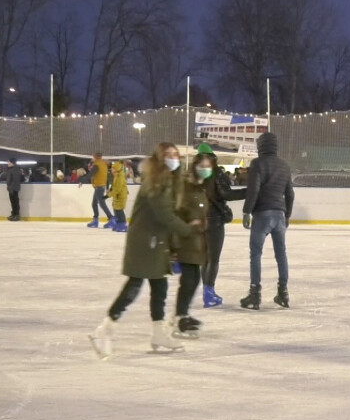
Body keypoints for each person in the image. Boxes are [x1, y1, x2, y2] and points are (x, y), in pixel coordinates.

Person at [88, 142, 202, 358]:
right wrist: (187, 231)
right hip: (145, 242)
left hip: (155, 242)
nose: (173, 157)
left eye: (175, 154)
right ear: (159, 158)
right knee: (135, 285)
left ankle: (158, 332)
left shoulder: (168, 179)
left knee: (159, 286)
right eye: (168, 154)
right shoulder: (157, 182)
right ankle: (104, 330)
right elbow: (164, 215)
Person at [240, 132, 295, 310]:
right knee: (281, 254)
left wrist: (247, 211)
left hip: (262, 214)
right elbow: (290, 194)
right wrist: (287, 216)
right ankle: (283, 293)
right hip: (279, 215)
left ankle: (255, 294)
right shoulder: (284, 165)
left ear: (261, 146)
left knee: (256, 254)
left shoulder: (257, 163)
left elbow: (253, 189)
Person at [169, 153, 217, 338]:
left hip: (195, 240)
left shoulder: (201, 187)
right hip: (184, 239)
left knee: (192, 279)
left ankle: (181, 315)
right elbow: (177, 211)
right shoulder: (186, 187)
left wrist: (202, 223)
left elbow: (200, 212)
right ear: (195, 166)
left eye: (209, 166)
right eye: (203, 165)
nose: (206, 169)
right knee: (189, 280)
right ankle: (180, 318)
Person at [197, 143, 246, 308]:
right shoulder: (217, 173)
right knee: (213, 259)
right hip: (214, 221)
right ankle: (208, 294)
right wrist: (249, 191)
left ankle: (207, 292)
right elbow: (226, 194)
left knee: (205, 259)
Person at [81, 152, 115, 228]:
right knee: (94, 203)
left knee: (102, 203)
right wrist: (107, 187)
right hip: (101, 187)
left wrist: (82, 181)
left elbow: (91, 174)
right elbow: (106, 178)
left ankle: (111, 218)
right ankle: (95, 220)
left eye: (93, 156)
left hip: (99, 187)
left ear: (95, 157)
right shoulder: (104, 165)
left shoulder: (97, 165)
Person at [108, 161, 129, 232]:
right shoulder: (116, 175)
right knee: (116, 209)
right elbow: (114, 186)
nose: (111, 169)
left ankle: (123, 224)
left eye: (113, 168)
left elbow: (117, 189)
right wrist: (110, 192)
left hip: (121, 196)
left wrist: (109, 195)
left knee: (119, 210)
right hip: (117, 196)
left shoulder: (120, 177)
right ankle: (119, 223)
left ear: (116, 169)